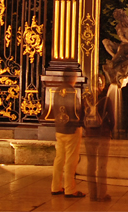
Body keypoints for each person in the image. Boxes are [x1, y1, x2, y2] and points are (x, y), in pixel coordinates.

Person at [51, 73, 85, 198]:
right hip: (71, 129)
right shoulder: (71, 91)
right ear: (72, 78)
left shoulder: (57, 90)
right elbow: (77, 110)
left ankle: (55, 186)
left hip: (59, 128)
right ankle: (70, 189)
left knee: (59, 158)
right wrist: (80, 122)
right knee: (71, 159)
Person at [84, 74, 114, 202]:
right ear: (103, 85)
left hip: (89, 135)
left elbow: (80, 117)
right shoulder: (106, 99)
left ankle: (92, 194)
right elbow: (112, 120)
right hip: (103, 135)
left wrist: (87, 130)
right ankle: (102, 194)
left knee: (91, 165)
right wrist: (110, 131)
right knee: (102, 165)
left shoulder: (85, 99)